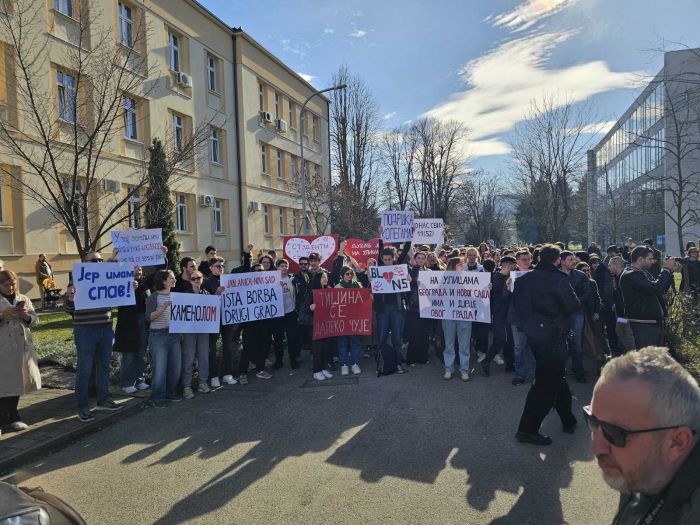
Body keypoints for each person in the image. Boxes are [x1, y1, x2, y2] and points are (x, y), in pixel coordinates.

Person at [586, 346, 700, 524]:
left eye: (615, 433)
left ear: (677, 442)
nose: (595, 448)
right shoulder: (641, 472)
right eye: (593, 422)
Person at [513, 244, 580, 446]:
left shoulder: (524, 280)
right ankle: (527, 429)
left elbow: (519, 307)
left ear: (539, 258)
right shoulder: (559, 280)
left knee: (555, 376)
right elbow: (573, 305)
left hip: (535, 334)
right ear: (558, 260)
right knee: (546, 382)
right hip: (553, 335)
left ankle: (568, 419)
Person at [64, 251, 124, 422]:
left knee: (104, 367)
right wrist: (70, 298)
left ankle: (104, 400)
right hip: (85, 331)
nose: (98, 263)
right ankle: (82, 408)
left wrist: (129, 286)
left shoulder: (107, 279)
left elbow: (119, 293)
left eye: (100, 260)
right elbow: (68, 309)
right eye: (93, 260)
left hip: (105, 328)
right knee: (85, 370)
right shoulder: (76, 281)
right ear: (84, 263)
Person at [0, 270, 41, 436]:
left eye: (13, 284)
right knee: (3, 384)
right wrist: (3, 316)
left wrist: (26, 316)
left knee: (18, 382)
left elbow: (35, 319)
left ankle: (13, 416)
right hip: (3, 348)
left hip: (21, 347)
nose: (10, 288)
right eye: (6, 285)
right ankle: (2, 419)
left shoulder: (23, 298)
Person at [619, 246, 676, 349]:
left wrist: (669, 272)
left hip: (651, 323)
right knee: (647, 359)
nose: (652, 262)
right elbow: (656, 288)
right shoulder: (630, 275)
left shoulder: (642, 273)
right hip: (643, 324)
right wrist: (666, 269)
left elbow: (660, 289)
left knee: (654, 358)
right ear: (640, 259)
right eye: (649, 259)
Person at [145, 270, 181, 408]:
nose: (174, 280)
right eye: (171, 278)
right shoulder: (153, 297)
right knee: (160, 369)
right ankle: (157, 398)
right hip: (158, 336)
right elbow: (148, 317)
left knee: (175, 367)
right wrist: (162, 308)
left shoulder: (176, 296)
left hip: (174, 335)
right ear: (164, 281)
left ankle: (170, 393)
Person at [114, 265, 151, 394]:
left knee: (141, 353)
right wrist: (129, 289)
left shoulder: (144, 282)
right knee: (129, 354)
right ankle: (127, 382)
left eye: (140, 268)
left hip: (143, 321)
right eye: (135, 268)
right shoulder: (121, 283)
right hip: (129, 323)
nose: (138, 271)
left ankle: (140, 380)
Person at [481, 256, 517, 377]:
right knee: (501, 339)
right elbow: (500, 297)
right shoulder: (497, 277)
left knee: (509, 341)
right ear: (506, 265)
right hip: (500, 313)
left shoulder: (510, 276)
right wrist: (506, 287)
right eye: (513, 264)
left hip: (508, 313)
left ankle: (509, 364)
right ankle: (487, 361)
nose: (515, 266)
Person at [441, 257, 474, 381]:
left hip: (464, 315)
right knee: (449, 344)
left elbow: (475, 294)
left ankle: (464, 370)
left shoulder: (470, 278)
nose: (462, 265)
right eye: (460, 264)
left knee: (464, 344)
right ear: (453, 266)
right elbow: (434, 294)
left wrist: (486, 287)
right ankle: (448, 369)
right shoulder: (443, 279)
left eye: (462, 264)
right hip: (448, 315)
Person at [559, 250, 591, 383]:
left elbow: (587, 292)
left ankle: (578, 369)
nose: (574, 262)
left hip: (576, 312)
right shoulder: (555, 275)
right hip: (559, 314)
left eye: (574, 259)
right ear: (562, 261)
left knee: (576, 343)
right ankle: (560, 371)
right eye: (570, 260)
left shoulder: (580, 276)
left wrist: (576, 302)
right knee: (559, 342)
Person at [180, 270, 211, 399]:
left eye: (198, 278)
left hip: (203, 330)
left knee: (204, 356)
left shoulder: (208, 295)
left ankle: (202, 382)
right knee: (188, 357)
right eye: (193, 279)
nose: (196, 280)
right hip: (189, 331)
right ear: (190, 281)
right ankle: (186, 386)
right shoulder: (184, 295)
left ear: (202, 279)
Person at [300, 271, 334, 381]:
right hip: (314, 324)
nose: (325, 279)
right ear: (318, 279)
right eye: (323, 277)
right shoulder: (312, 292)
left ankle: (323, 368)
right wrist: (310, 308)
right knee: (317, 348)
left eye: (326, 277)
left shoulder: (328, 291)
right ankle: (316, 371)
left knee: (325, 347)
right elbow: (304, 309)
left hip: (326, 324)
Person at [508, 249, 535, 386]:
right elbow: (503, 299)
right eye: (524, 259)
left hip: (534, 316)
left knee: (534, 347)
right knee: (519, 347)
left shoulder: (536, 274)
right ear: (517, 261)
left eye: (529, 259)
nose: (527, 261)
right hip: (517, 317)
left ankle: (536, 374)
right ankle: (520, 374)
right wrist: (506, 287)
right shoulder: (510, 276)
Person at [272, 258, 300, 369]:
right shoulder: (271, 280)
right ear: (277, 267)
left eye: (285, 266)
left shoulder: (292, 279)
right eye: (281, 266)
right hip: (277, 314)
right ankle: (279, 360)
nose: (284, 268)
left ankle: (293, 359)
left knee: (292, 338)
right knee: (278, 339)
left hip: (290, 312)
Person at [406, 250, 430, 366]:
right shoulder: (410, 271)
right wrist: (412, 282)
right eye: (418, 258)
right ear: (415, 259)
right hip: (414, 306)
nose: (420, 260)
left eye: (423, 258)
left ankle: (423, 358)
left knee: (425, 333)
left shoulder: (429, 272)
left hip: (427, 307)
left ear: (426, 260)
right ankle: (411, 359)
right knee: (414, 334)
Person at [608, 256, 636, 354]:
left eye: (610, 265)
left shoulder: (625, 277)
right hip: (620, 314)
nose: (609, 268)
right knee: (620, 332)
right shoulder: (616, 278)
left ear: (616, 266)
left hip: (627, 314)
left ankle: (634, 358)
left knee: (628, 336)